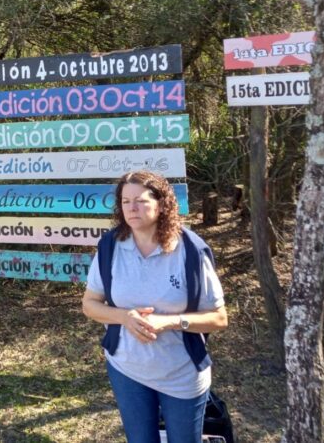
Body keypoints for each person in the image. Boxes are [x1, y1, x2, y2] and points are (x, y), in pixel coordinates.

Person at [81, 171, 228, 443]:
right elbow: (90, 305)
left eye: (139, 200)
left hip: (181, 374)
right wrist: (124, 317)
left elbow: (219, 318)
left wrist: (169, 322)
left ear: (161, 204)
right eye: (125, 201)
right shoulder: (110, 246)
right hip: (127, 370)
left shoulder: (190, 251)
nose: (131, 208)